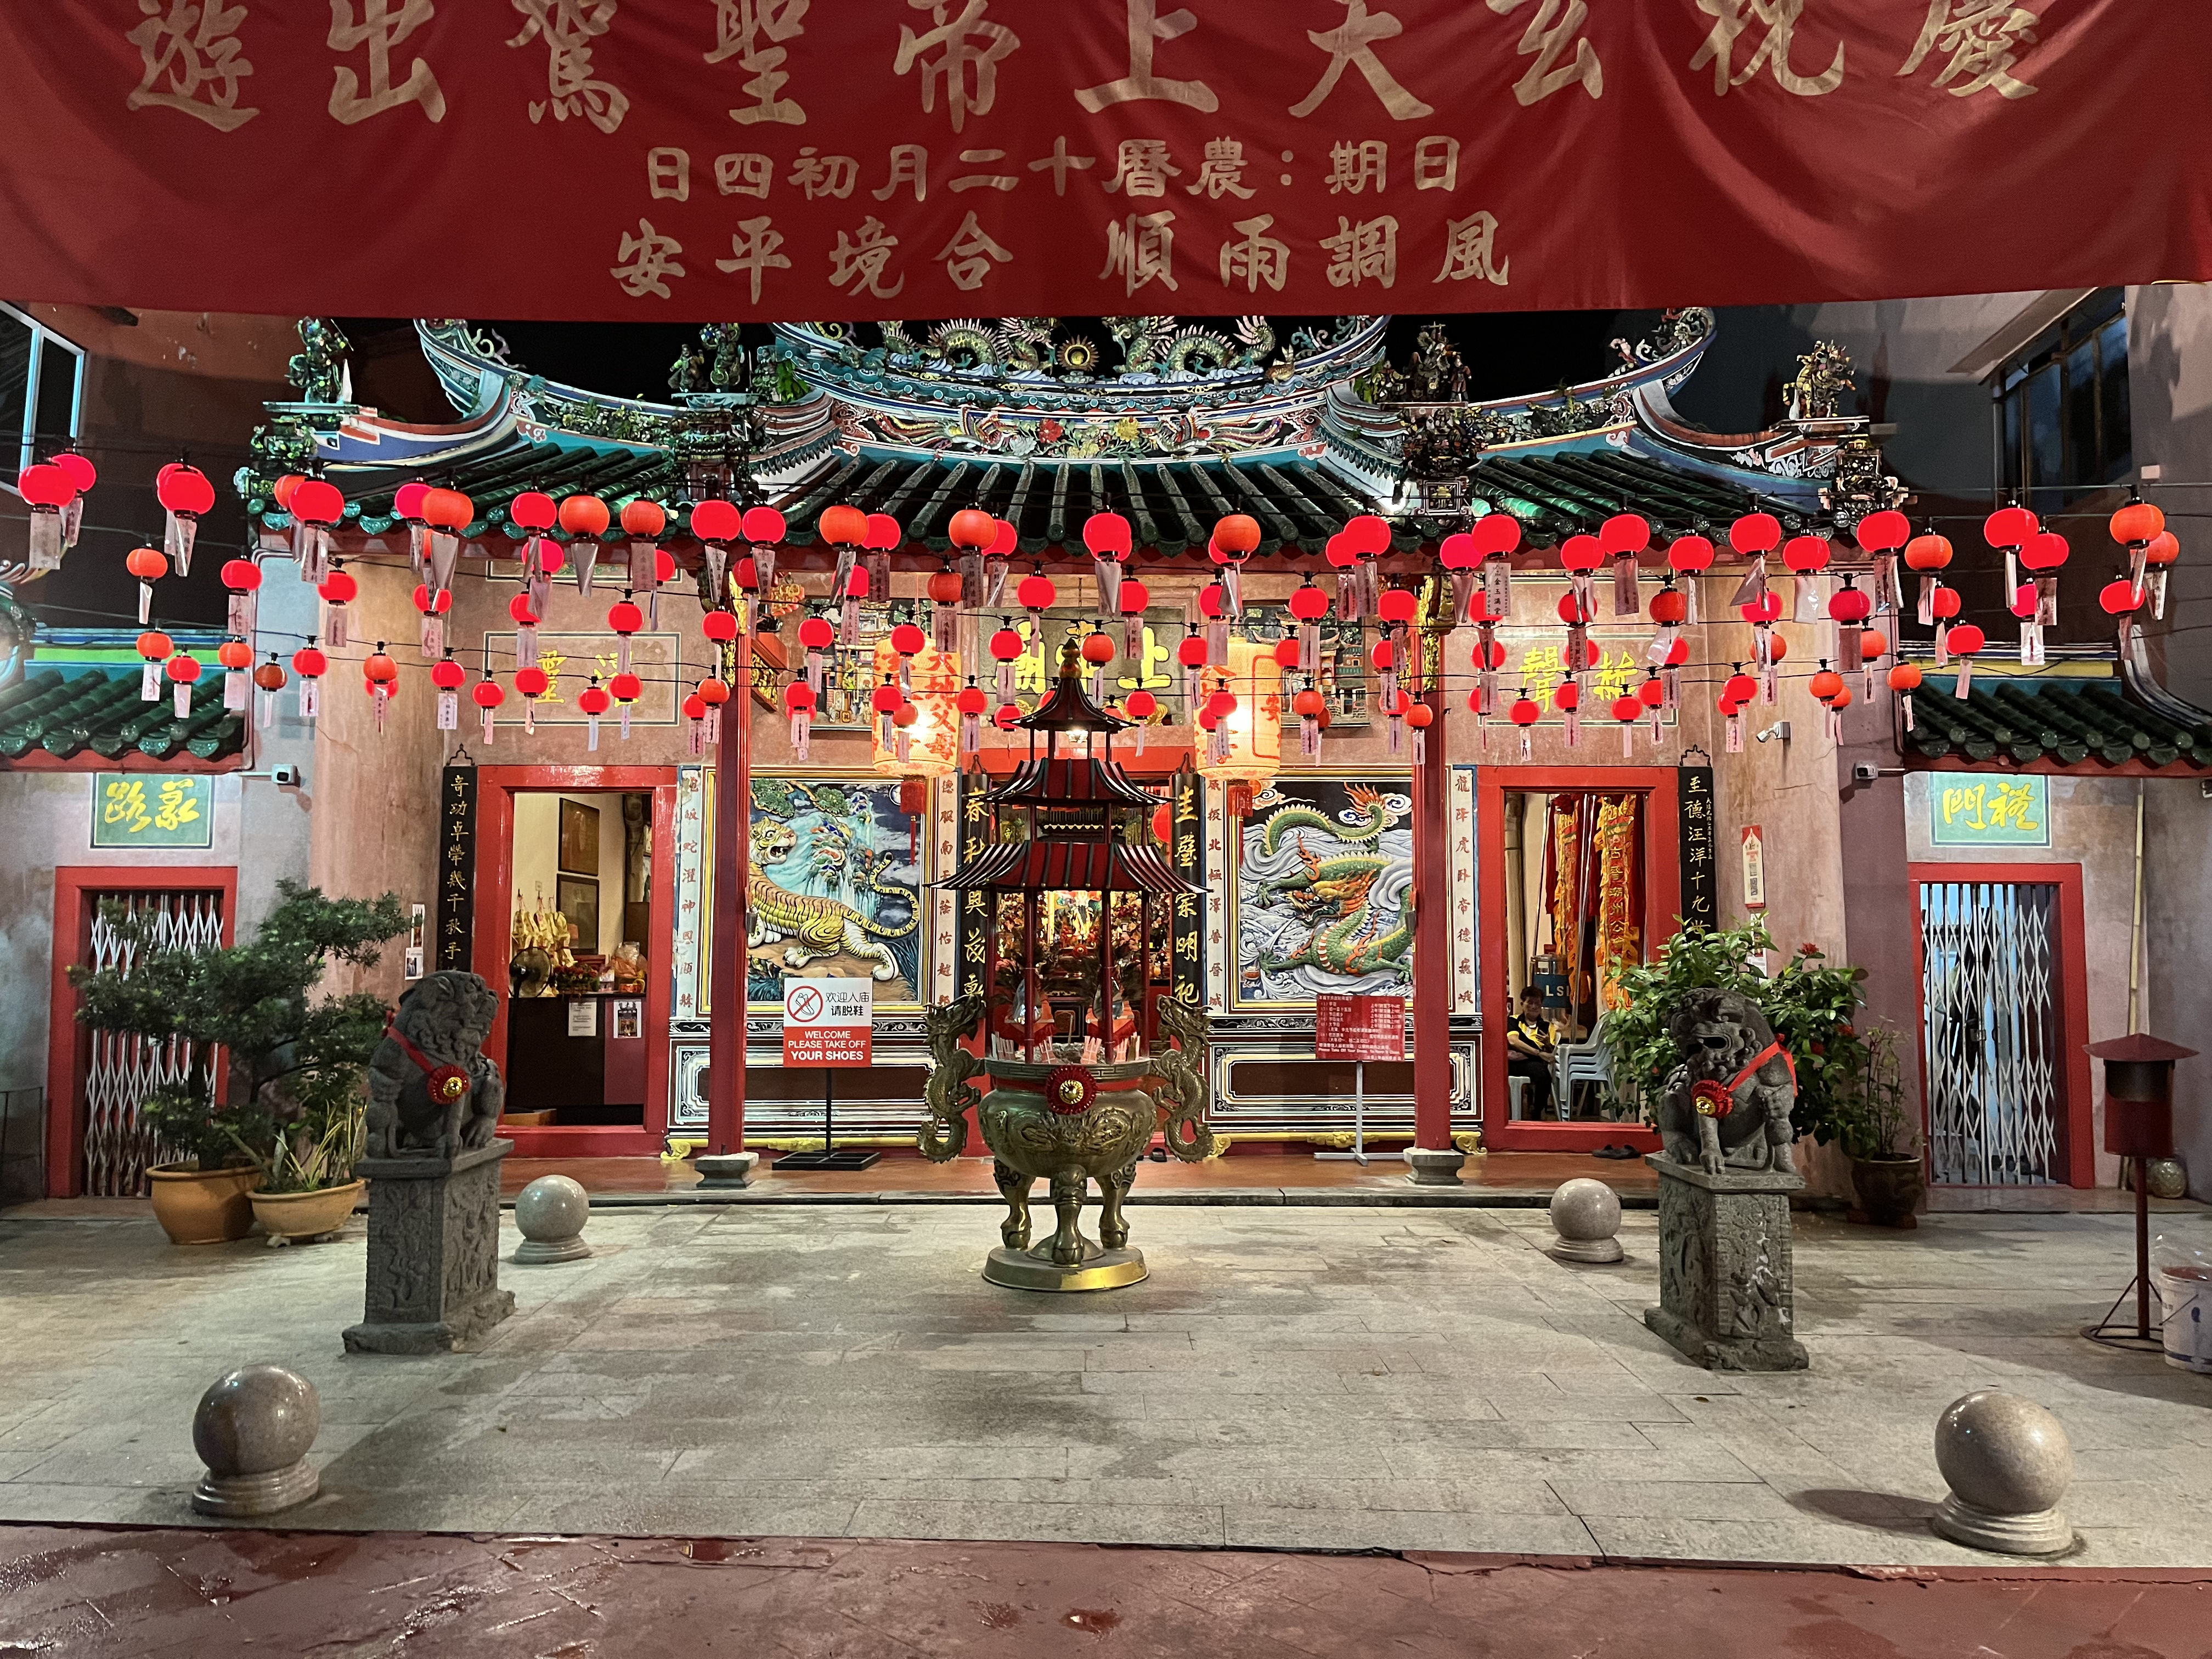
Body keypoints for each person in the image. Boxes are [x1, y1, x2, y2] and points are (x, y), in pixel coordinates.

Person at [1505, 986, 1555, 1119]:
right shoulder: (1513, 1021)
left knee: (1544, 1075)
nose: (1534, 1007)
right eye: (1530, 1003)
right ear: (1522, 1004)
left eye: (1537, 1004)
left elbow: (1550, 1053)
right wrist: (1538, 1052)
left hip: (1533, 1063)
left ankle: (1536, 1110)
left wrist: (1547, 1044)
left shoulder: (1547, 1026)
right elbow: (1513, 1041)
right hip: (1513, 1063)